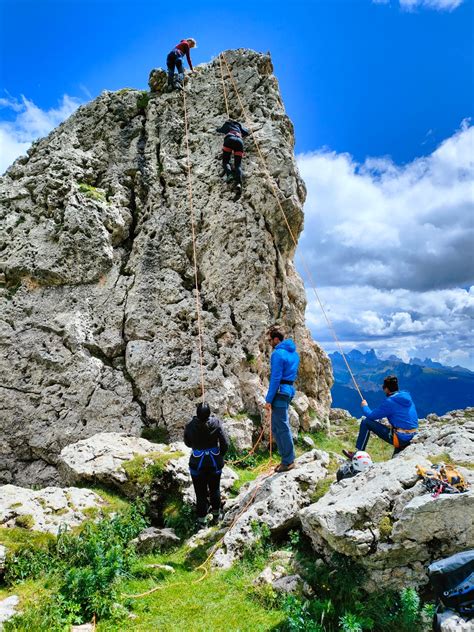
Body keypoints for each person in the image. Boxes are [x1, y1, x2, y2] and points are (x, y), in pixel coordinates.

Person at [343, 375, 419, 460]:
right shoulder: (407, 397)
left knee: (366, 422)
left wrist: (365, 406)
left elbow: (371, 416)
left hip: (400, 438)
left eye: (383, 387)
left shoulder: (390, 402)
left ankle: (358, 453)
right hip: (413, 436)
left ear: (386, 389)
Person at [184, 402, 229, 528]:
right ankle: (216, 516)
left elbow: (187, 443)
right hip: (214, 463)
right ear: (209, 414)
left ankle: (202, 521)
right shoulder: (216, 423)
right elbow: (225, 443)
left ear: (197, 414)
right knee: (215, 489)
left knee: (200, 493)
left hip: (197, 464)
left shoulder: (190, 425)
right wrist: (220, 455)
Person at [265, 327, 300, 473]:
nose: (270, 343)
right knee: (277, 426)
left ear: (276, 339)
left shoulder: (277, 353)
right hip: (289, 390)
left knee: (281, 427)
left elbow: (275, 377)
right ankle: (286, 458)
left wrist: (268, 399)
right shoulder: (294, 354)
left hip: (280, 392)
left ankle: (288, 461)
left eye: (270, 340)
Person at [216, 120, 249, 192]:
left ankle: (229, 174)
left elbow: (220, 130)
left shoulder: (227, 123)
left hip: (229, 139)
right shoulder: (239, 126)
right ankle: (239, 184)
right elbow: (246, 132)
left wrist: (216, 129)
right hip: (239, 141)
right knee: (238, 165)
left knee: (226, 161)